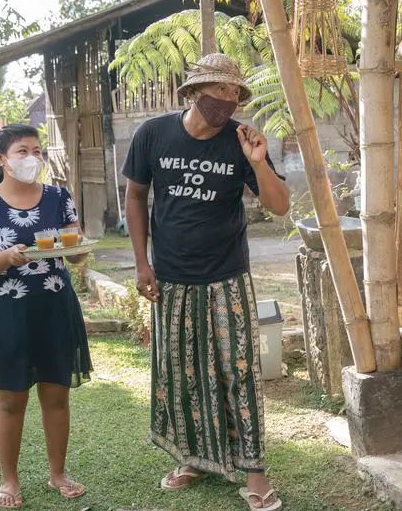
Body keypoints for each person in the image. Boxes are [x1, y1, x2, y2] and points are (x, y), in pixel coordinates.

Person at [123, 53, 291, 511]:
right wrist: (142, 264)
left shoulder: (242, 140)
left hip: (227, 276)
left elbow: (279, 205)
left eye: (235, 93)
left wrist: (258, 162)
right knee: (182, 374)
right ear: (194, 92)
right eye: (220, 90)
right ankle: (195, 458)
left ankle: (255, 474)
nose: (228, 100)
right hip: (172, 278)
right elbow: (136, 196)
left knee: (240, 371)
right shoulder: (153, 134)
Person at [0, 123, 93, 509]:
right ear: (2, 159)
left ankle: (58, 474)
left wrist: (78, 248)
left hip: (54, 306)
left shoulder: (58, 197)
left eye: (37, 150)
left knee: (56, 394)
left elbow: (78, 250)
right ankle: (9, 478)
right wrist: (7, 257)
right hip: (7, 310)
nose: (32, 158)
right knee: (10, 399)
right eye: (22, 151)